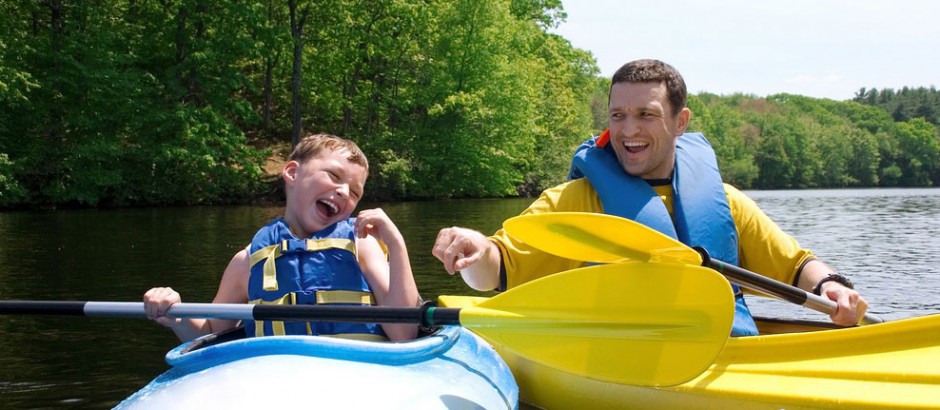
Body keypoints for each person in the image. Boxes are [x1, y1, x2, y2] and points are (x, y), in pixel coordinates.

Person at [432, 59, 866, 336]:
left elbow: (797, 265)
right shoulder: (575, 199)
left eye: (646, 115)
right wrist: (477, 250)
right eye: (618, 115)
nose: (628, 130)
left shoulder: (727, 202)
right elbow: (494, 273)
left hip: (724, 354)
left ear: (680, 122)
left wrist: (832, 286)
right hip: (620, 359)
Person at [145, 133, 421, 342]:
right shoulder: (247, 260)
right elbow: (209, 334)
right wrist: (176, 315)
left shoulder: (362, 246)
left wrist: (396, 244)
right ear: (292, 172)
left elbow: (404, 332)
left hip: (354, 370)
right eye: (334, 176)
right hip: (276, 375)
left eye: (355, 192)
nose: (343, 192)